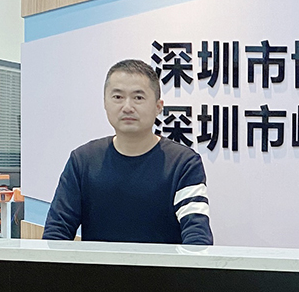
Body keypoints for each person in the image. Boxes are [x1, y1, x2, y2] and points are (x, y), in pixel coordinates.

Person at [42, 59, 213, 245]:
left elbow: (197, 237)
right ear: (105, 103)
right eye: (118, 97)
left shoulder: (183, 163)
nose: (127, 107)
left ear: (158, 106)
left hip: (164, 265)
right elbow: (56, 233)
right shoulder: (83, 160)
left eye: (138, 98)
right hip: (98, 265)